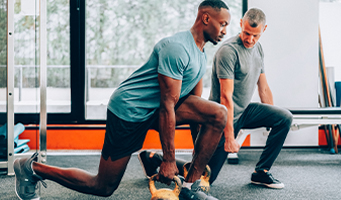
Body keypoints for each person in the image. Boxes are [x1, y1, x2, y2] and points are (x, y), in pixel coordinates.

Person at [13, 1, 230, 200]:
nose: (224, 31)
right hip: (130, 109)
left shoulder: (201, 56)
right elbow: (167, 105)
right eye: (222, 24)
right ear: (206, 18)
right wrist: (169, 160)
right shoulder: (177, 48)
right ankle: (32, 169)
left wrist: (197, 157)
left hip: (156, 110)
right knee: (103, 186)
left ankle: (190, 189)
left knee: (218, 113)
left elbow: (195, 107)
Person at [139, 8, 293, 190]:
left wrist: (270, 118)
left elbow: (264, 87)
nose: (250, 40)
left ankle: (262, 172)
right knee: (205, 177)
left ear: (264, 30)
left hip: (244, 111)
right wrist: (229, 137)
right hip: (222, 117)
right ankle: (154, 158)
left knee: (284, 117)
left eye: (255, 36)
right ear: (241, 24)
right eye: (247, 33)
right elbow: (225, 97)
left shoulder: (257, 49)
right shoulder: (228, 51)